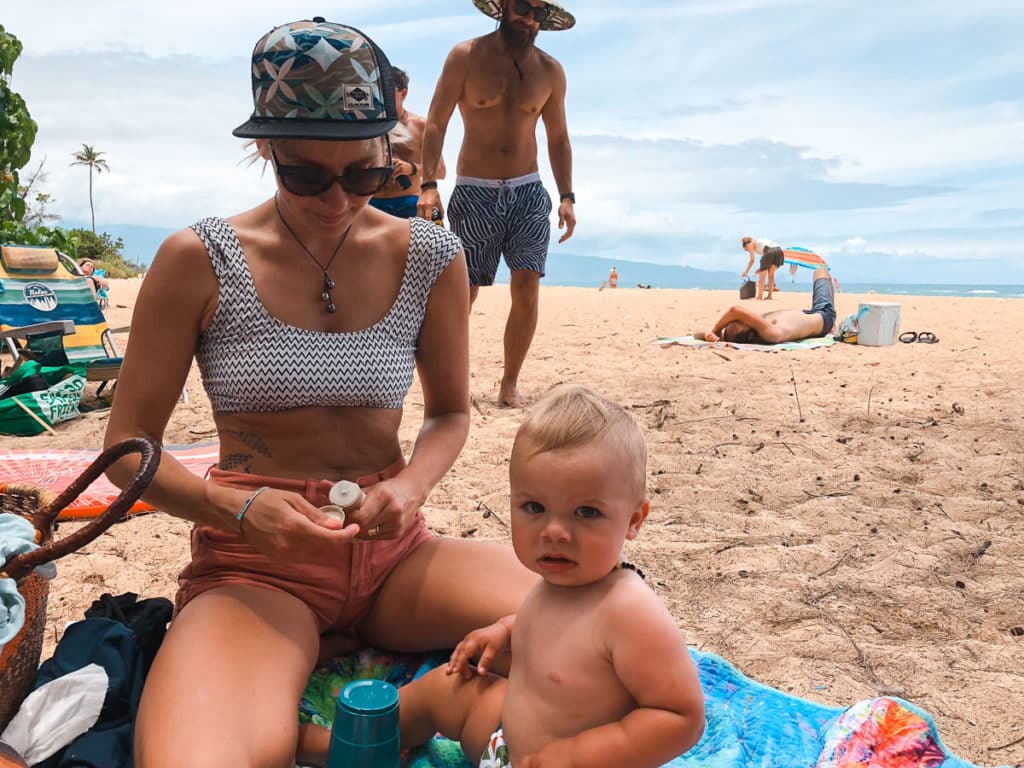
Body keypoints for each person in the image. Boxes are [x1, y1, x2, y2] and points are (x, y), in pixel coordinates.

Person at [101, 18, 536, 767]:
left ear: (388, 148)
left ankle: (366, 726)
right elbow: (125, 451)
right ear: (264, 148)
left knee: (619, 624)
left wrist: (409, 485)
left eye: (363, 174)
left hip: (397, 555)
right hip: (254, 565)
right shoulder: (196, 260)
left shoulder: (431, 256)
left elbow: (450, 413)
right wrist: (234, 507)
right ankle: (326, 735)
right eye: (306, 175)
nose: (336, 199)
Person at [298, 384, 706, 767]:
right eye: (534, 508)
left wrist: (576, 756)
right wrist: (508, 630)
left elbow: (681, 716)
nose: (554, 532)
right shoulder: (561, 580)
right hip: (507, 739)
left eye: (586, 512)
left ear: (634, 520)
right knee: (449, 686)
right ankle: (357, 743)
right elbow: (562, 632)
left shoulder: (631, 612)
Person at [418, 0, 578, 408]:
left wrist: (566, 195)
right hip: (475, 191)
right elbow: (437, 121)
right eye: (523, 8)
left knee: (527, 285)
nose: (529, 20)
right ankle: (452, 383)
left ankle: (509, 385)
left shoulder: (550, 71)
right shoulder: (466, 57)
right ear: (503, 7)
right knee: (464, 290)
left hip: (528, 190)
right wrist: (429, 184)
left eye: (539, 15)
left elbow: (558, 138)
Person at [369, 67, 446, 220]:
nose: (382, 95)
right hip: (371, 203)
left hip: (408, 202)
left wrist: (410, 168)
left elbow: (441, 171)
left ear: (403, 93)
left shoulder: (420, 125)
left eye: (388, 90)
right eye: (377, 90)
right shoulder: (367, 126)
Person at [696, 266, 837, 344]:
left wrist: (710, 333)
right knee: (821, 270)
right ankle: (833, 324)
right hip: (824, 315)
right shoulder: (772, 333)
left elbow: (697, 334)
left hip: (806, 315)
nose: (748, 317)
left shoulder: (744, 331)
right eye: (741, 321)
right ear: (747, 329)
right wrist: (716, 330)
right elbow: (735, 310)